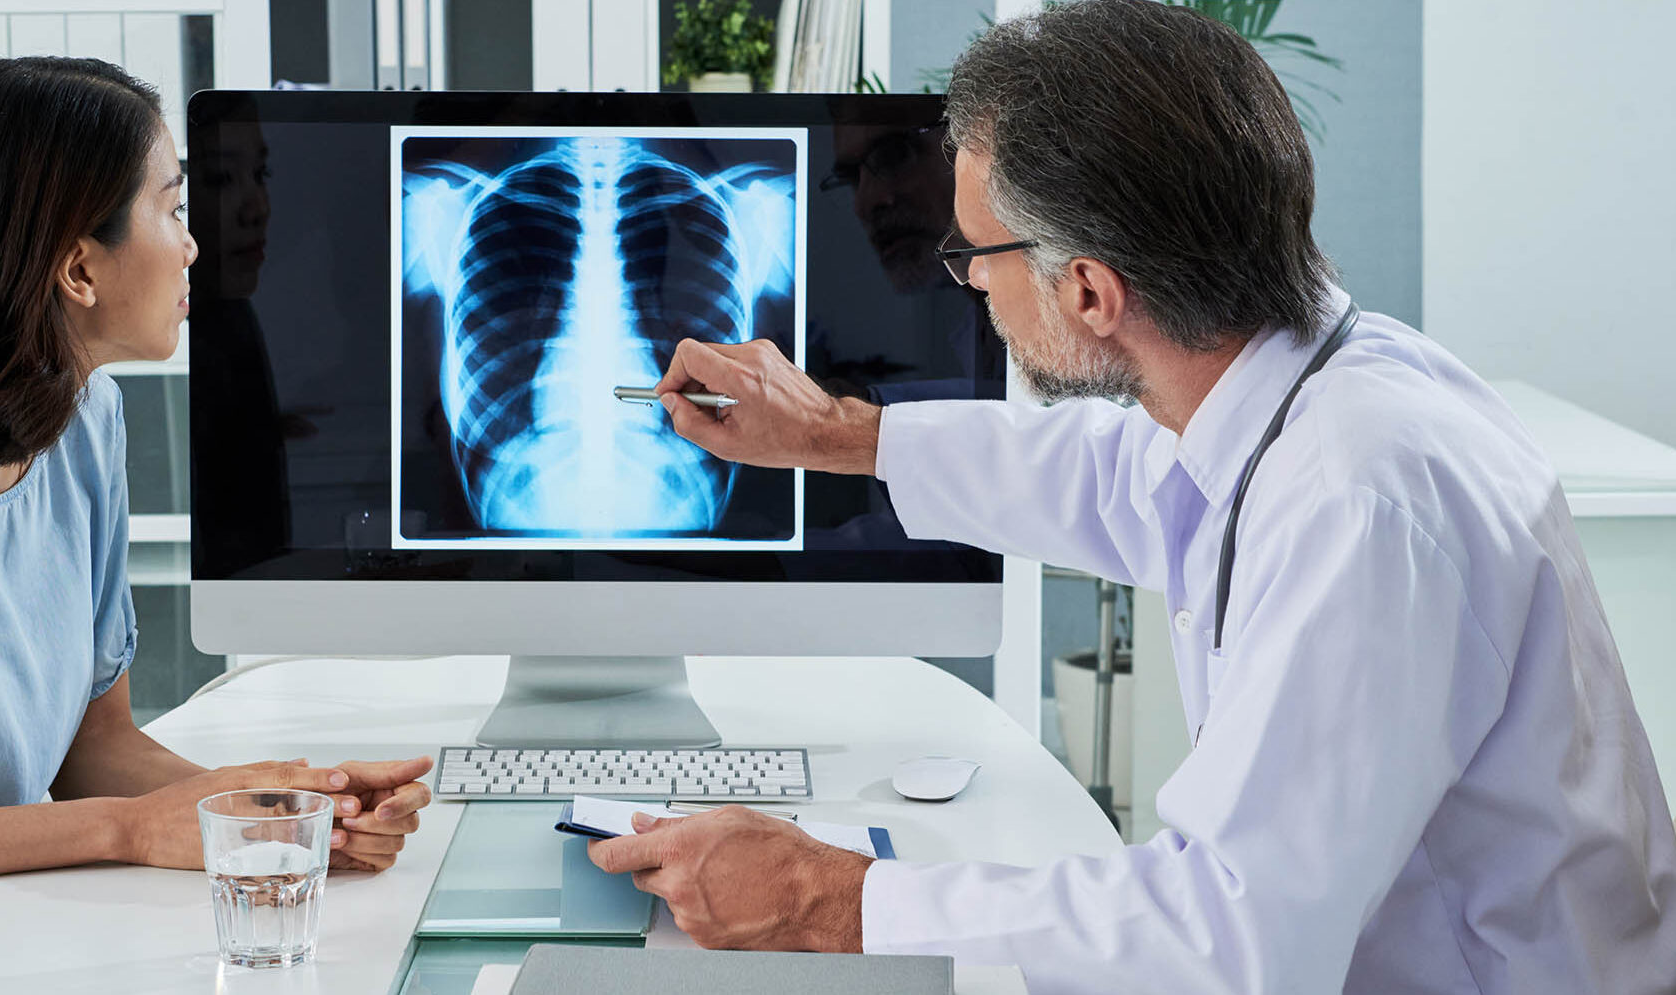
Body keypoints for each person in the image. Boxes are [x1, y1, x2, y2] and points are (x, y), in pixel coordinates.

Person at [587, 3, 1676, 992]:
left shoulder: (1361, 497)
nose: (966, 280)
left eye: (974, 255)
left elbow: (1228, 934)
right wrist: (834, 433)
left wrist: (833, 896)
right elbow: (1116, 479)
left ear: (1088, 290)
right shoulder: (1315, 385)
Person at [0, 58, 433, 995]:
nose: (195, 245)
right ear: (79, 266)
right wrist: (128, 830)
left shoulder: (85, 421)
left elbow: (95, 748)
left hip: (22, 954)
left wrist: (282, 814)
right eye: (173, 208)